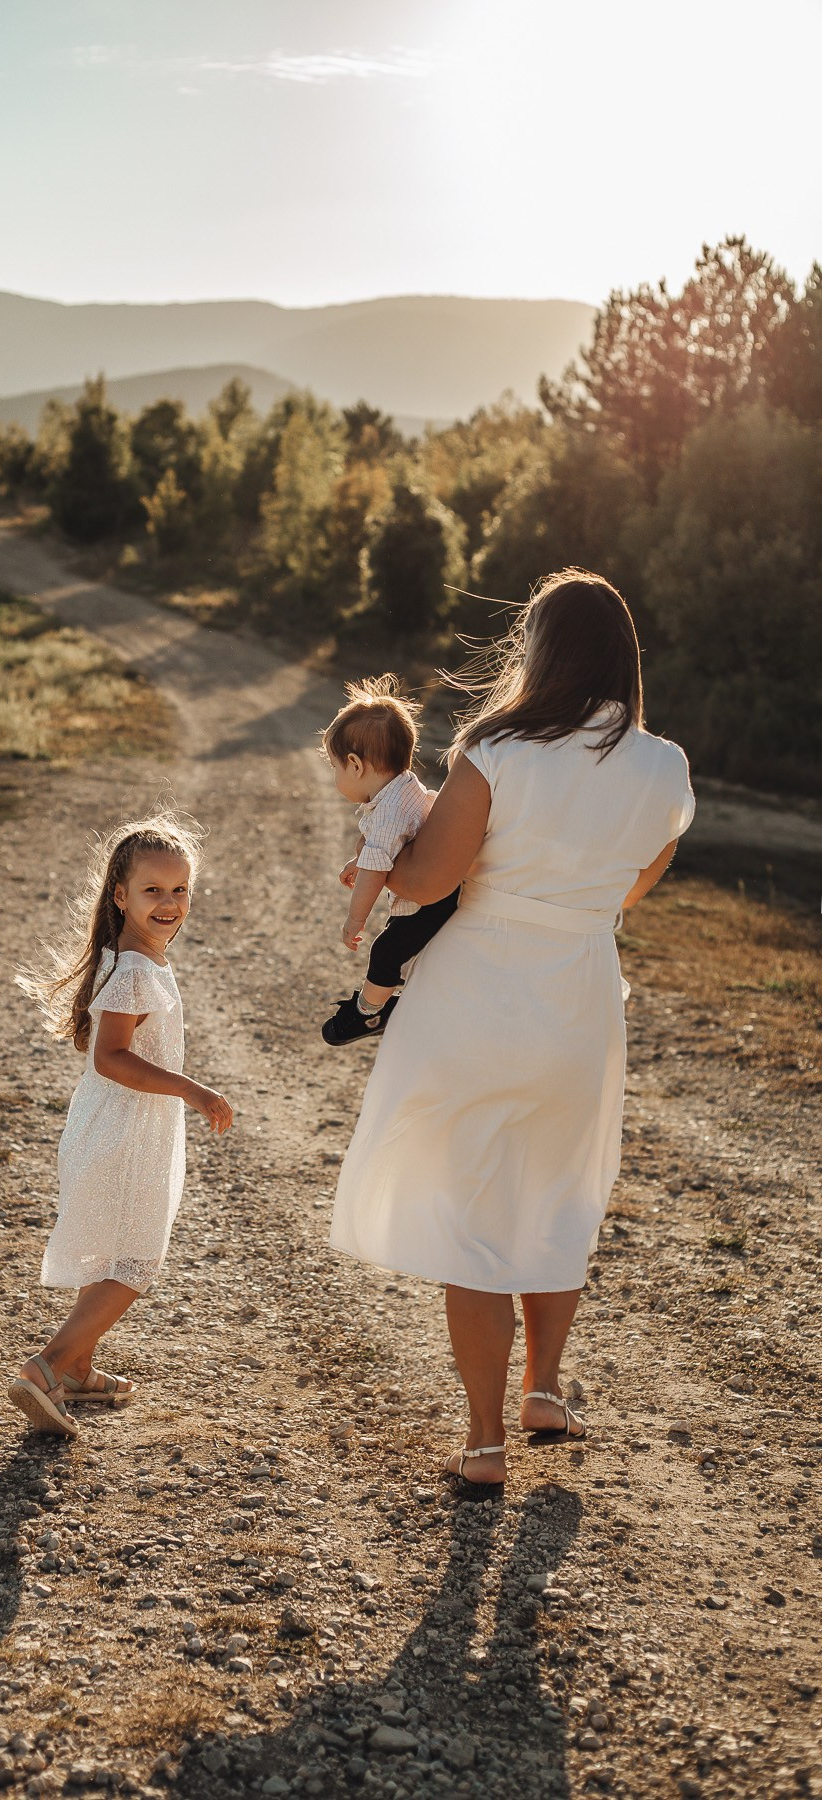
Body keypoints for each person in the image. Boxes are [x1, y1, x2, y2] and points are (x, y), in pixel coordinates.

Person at [329, 570, 695, 1497]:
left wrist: (389, 841)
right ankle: (546, 1389)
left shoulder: (496, 746)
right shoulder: (667, 767)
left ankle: (485, 1439)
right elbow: (631, 889)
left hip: (478, 995)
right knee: (557, 1194)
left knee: (475, 1213)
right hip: (579, 996)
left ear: (542, 651)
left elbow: (425, 883)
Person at [10, 814, 233, 1437]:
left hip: (124, 1125)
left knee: (117, 1252)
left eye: (180, 889)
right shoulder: (134, 968)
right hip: (127, 1131)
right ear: (120, 896)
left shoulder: (137, 959)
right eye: (153, 891)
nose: (169, 903)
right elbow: (111, 1057)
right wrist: (194, 1090)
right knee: (133, 1261)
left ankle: (78, 1367)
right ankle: (47, 1367)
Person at [320, 676, 459, 1046]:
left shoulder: (387, 813)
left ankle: (368, 1013)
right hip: (444, 888)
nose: (335, 776)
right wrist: (359, 858)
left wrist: (355, 919)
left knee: (387, 951)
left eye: (334, 767)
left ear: (354, 764)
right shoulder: (405, 790)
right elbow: (383, 848)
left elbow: (377, 869)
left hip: (432, 901)